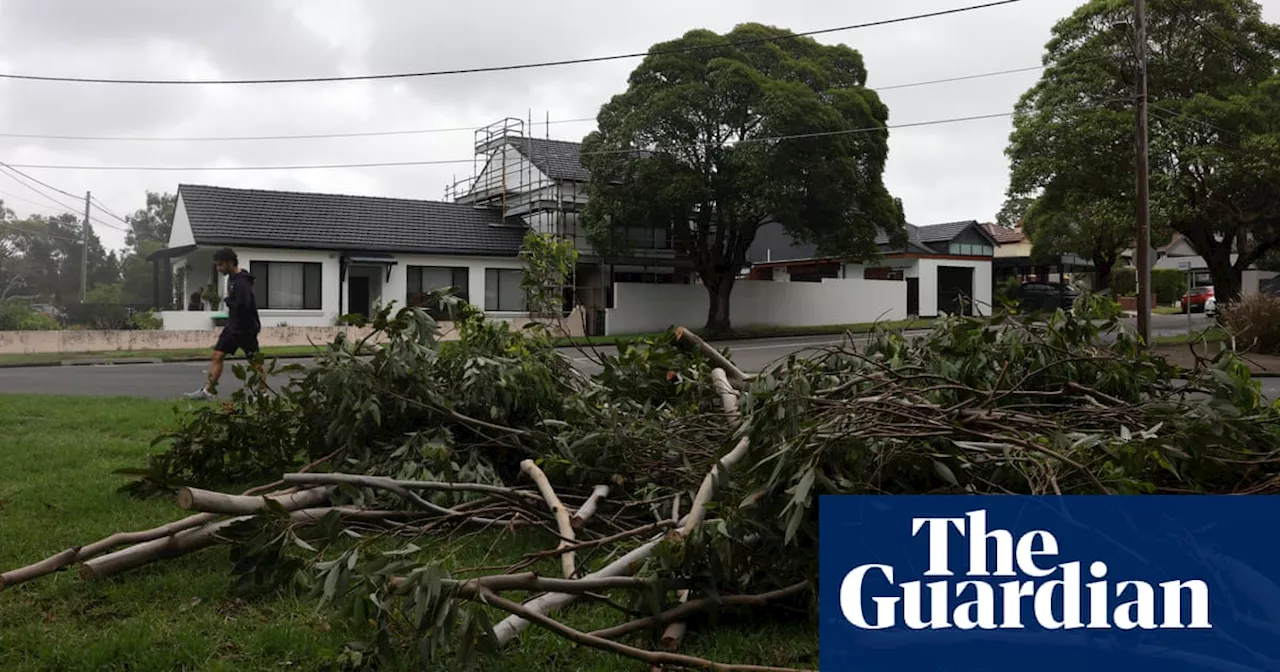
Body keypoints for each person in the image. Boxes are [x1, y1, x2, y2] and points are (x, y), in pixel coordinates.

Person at [186, 248, 265, 400]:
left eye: (220, 265)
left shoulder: (242, 282)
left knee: (255, 362)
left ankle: (263, 394)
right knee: (217, 355)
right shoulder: (232, 278)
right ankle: (208, 392)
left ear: (230, 263)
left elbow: (244, 304)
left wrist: (228, 300)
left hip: (245, 329)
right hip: (233, 327)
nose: (218, 269)